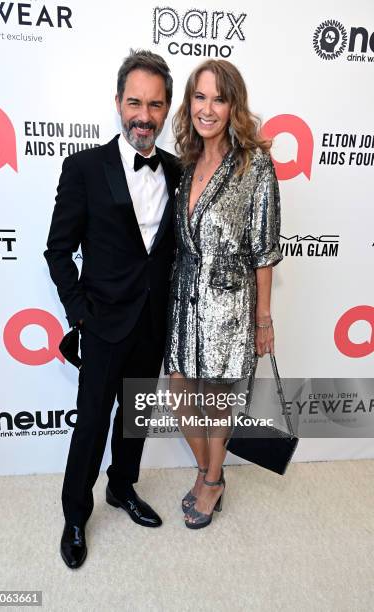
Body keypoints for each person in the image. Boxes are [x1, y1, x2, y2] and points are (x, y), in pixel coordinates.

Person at [44, 49, 180, 568]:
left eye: (155, 105)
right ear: (117, 104)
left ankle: (122, 488)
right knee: (92, 424)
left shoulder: (176, 170)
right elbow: (58, 250)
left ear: (167, 110)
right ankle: (75, 515)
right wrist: (80, 313)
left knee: (136, 418)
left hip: (153, 322)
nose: (143, 116)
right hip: (102, 323)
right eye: (134, 103)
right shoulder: (83, 168)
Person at [164, 59, 283, 529]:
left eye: (218, 98)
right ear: (189, 102)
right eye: (199, 96)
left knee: (216, 401)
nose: (207, 108)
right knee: (178, 392)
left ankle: (212, 480)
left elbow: (265, 252)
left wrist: (264, 320)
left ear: (233, 105)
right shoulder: (186, 163)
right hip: (183, 305)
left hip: (229, 308)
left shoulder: (255, 167)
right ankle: (206, 469)